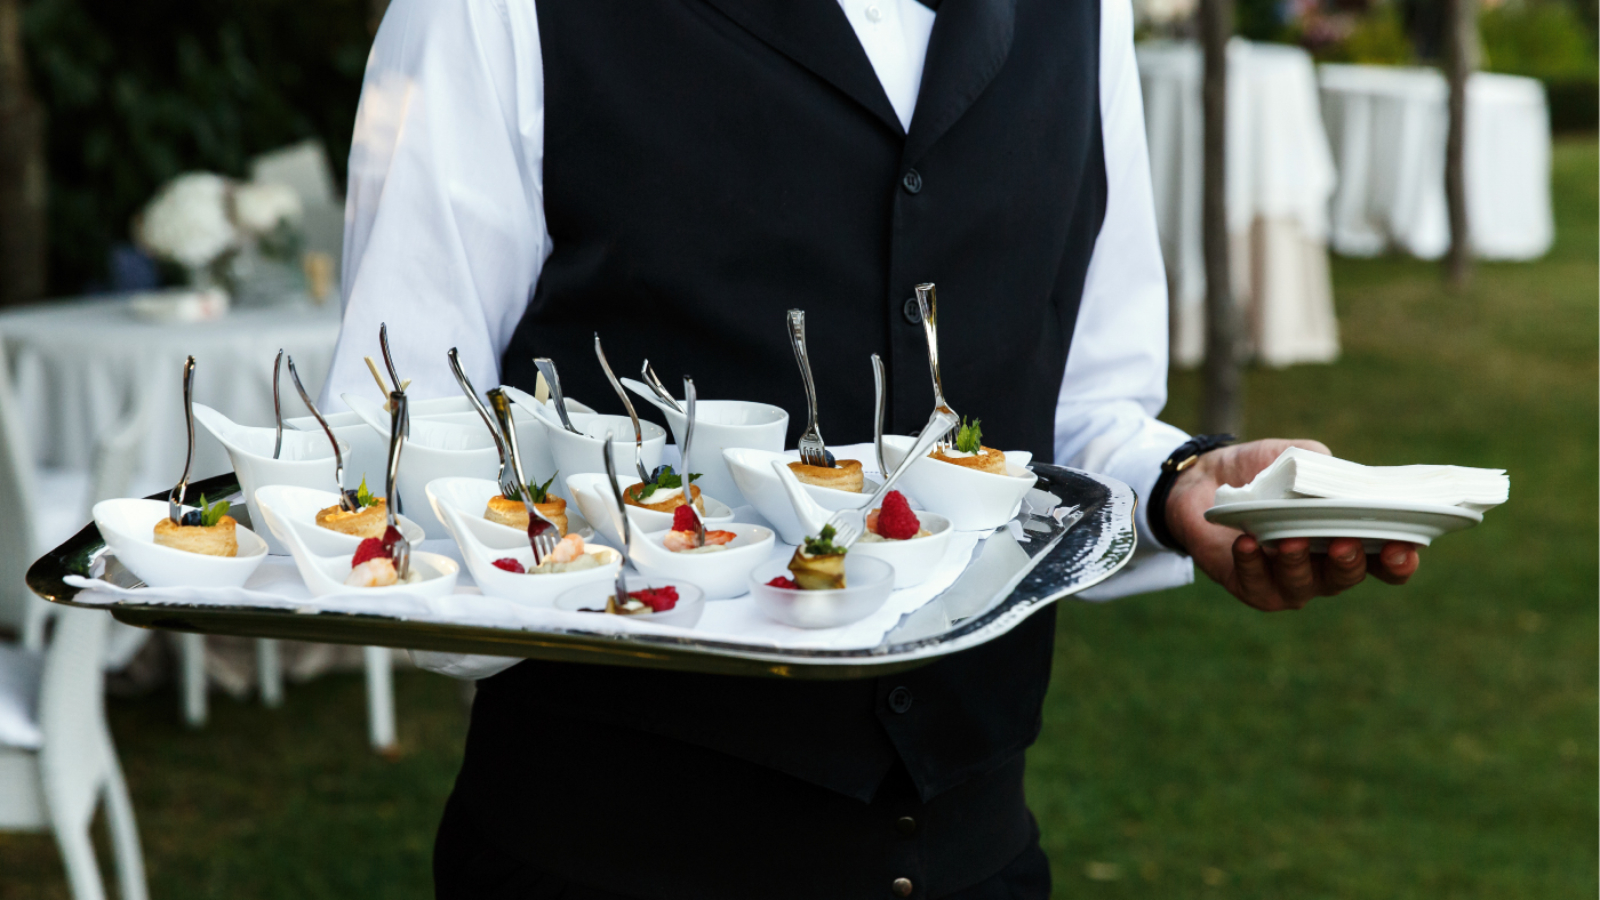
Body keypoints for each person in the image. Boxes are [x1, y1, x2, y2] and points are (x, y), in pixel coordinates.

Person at [322, 0, 1421, 896]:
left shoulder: (1082, 16)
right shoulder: (488, 11)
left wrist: (1183, 487)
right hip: (610, 852)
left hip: (972, 852)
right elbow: (401, 443)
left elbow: (1082, 414)